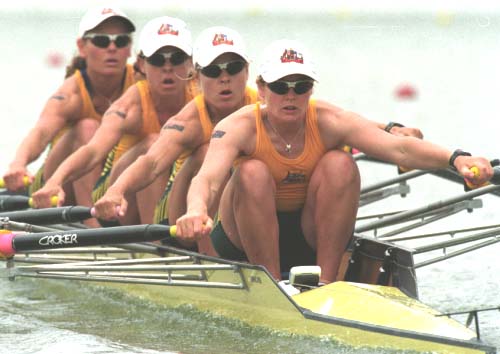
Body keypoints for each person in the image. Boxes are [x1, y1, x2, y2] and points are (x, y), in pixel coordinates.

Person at [174, 39, 493, 284]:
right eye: (279, 87)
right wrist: (196, 210)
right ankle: (269, 282)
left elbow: (401, 150)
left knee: (340, 164)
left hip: (307, 237)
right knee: (252, 172)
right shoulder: (237, 126)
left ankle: (326, 283)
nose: (290, 95)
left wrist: (458, 159)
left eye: (301, 87)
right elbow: (208, 179)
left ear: (311, 88)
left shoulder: (329, 119)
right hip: (241, 241)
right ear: (260, 89)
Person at [92, 26, 258, 252]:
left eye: (234, 67)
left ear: (247, 71)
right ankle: (210, 262)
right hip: (180, 218)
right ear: (197, 76)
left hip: (236, 212)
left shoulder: (267, 108)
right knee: (206, 152)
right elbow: (151, 164)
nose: (225, 78)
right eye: (213, 71)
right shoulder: (188, 121)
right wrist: (116, 191)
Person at [32, 16, 198, 226]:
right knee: (152, 142)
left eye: (177, 58)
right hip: (116, 199)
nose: (167, 67)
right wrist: (55, 181)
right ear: (141, 64)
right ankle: (154, 247)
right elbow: (93, 151)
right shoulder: (128, 105)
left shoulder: (206, 96)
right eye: (157, 59)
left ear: (191, 63)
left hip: (175, 193)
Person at [2, 5, 136, 214]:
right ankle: (92, 226)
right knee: (88, 127)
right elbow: (40, 133)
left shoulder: (142, 85)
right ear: (82, 47)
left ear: (129, 48)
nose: (112, 48)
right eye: (101, 40)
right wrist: (18, 165)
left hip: (110, 185)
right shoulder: (70, 94)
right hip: (55, 187)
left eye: (121, 41)